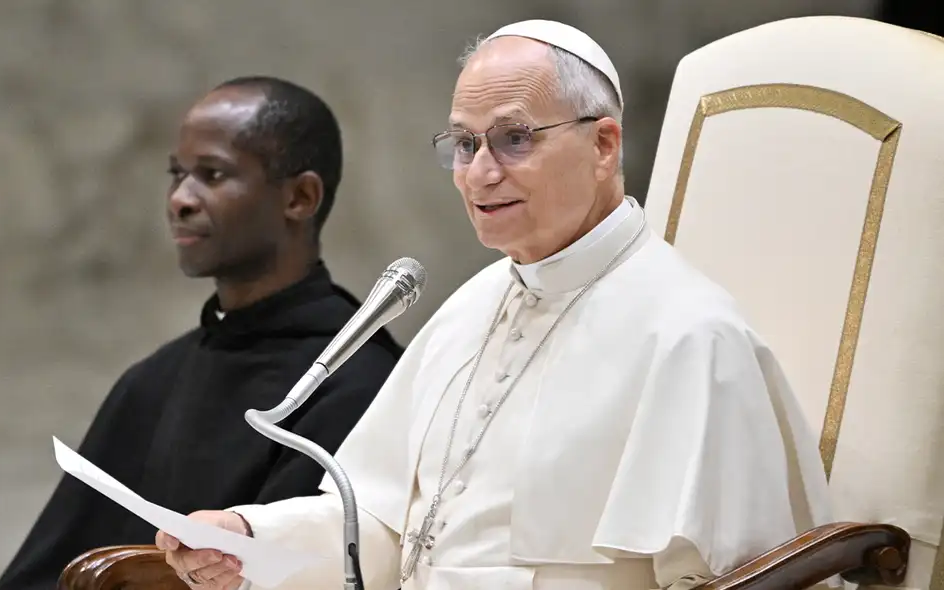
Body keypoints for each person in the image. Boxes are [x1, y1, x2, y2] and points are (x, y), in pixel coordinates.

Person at [157, 21, 833, 590]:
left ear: (602, 145)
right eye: (464, 144)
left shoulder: (689, 337)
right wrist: (250, 534)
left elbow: (734, 577)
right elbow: (391, 529)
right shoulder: (469, 309)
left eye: (515, 139)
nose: (480, 173)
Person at [0, 76, 404, 590]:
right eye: (176, 174)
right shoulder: (153, 381)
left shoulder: (362, 380)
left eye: (212, 174)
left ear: (300, 197)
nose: (180, 199)